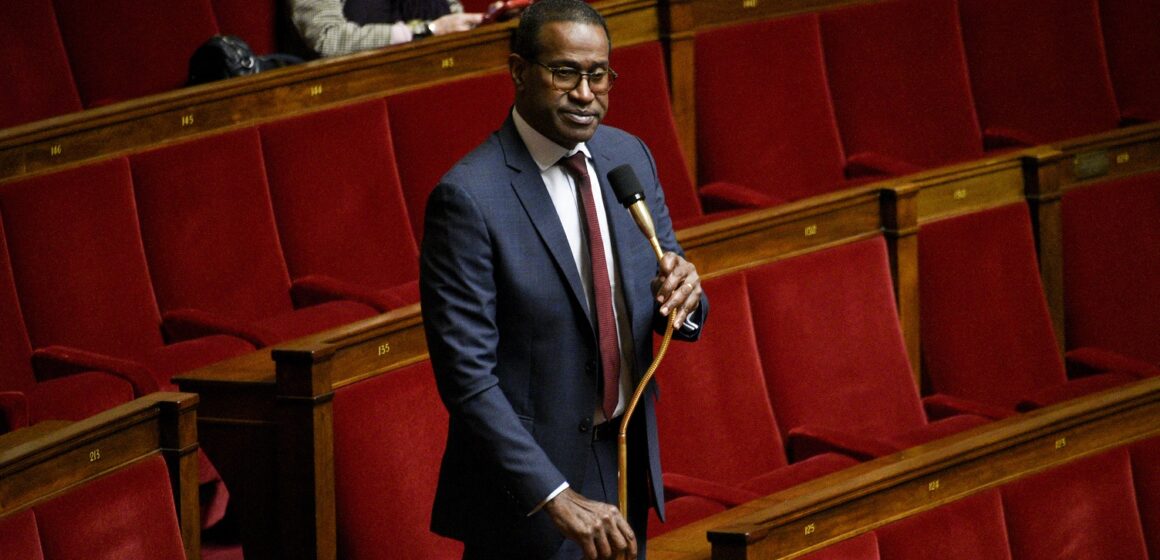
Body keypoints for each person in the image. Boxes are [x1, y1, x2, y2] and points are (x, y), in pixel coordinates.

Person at [419, 0, 707, 557]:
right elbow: (467, 380)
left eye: (598, 75)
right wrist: (554, 495)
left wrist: (687, 298)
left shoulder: (630, 157)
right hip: (526, 496)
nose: (585, 93)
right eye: (565, 72)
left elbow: (673, 283)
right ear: (519, 71)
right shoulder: (469, 198)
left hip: (623, 459)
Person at [291, 0, 491, 57]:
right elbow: (327, 39)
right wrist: (425, 31)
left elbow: (450, 16)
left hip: (441, 67)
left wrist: (484, 21)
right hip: (364, 86)